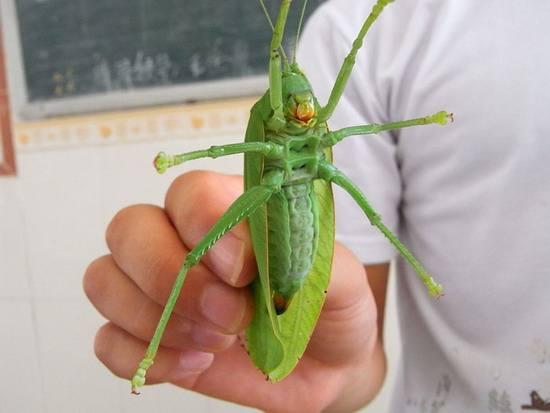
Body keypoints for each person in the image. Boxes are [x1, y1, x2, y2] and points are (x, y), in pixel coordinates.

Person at [84, 0, 550, 411]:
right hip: (273, 200)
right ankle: (157, 358)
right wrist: (181, 158)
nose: (305, 104)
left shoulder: (350, 70)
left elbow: (353, 123)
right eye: (293, 96)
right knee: (193, 256)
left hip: (309, 207)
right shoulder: (370, 35)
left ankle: (420, 274)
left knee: (362, 203)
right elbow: (229, 142)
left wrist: (424, 117)